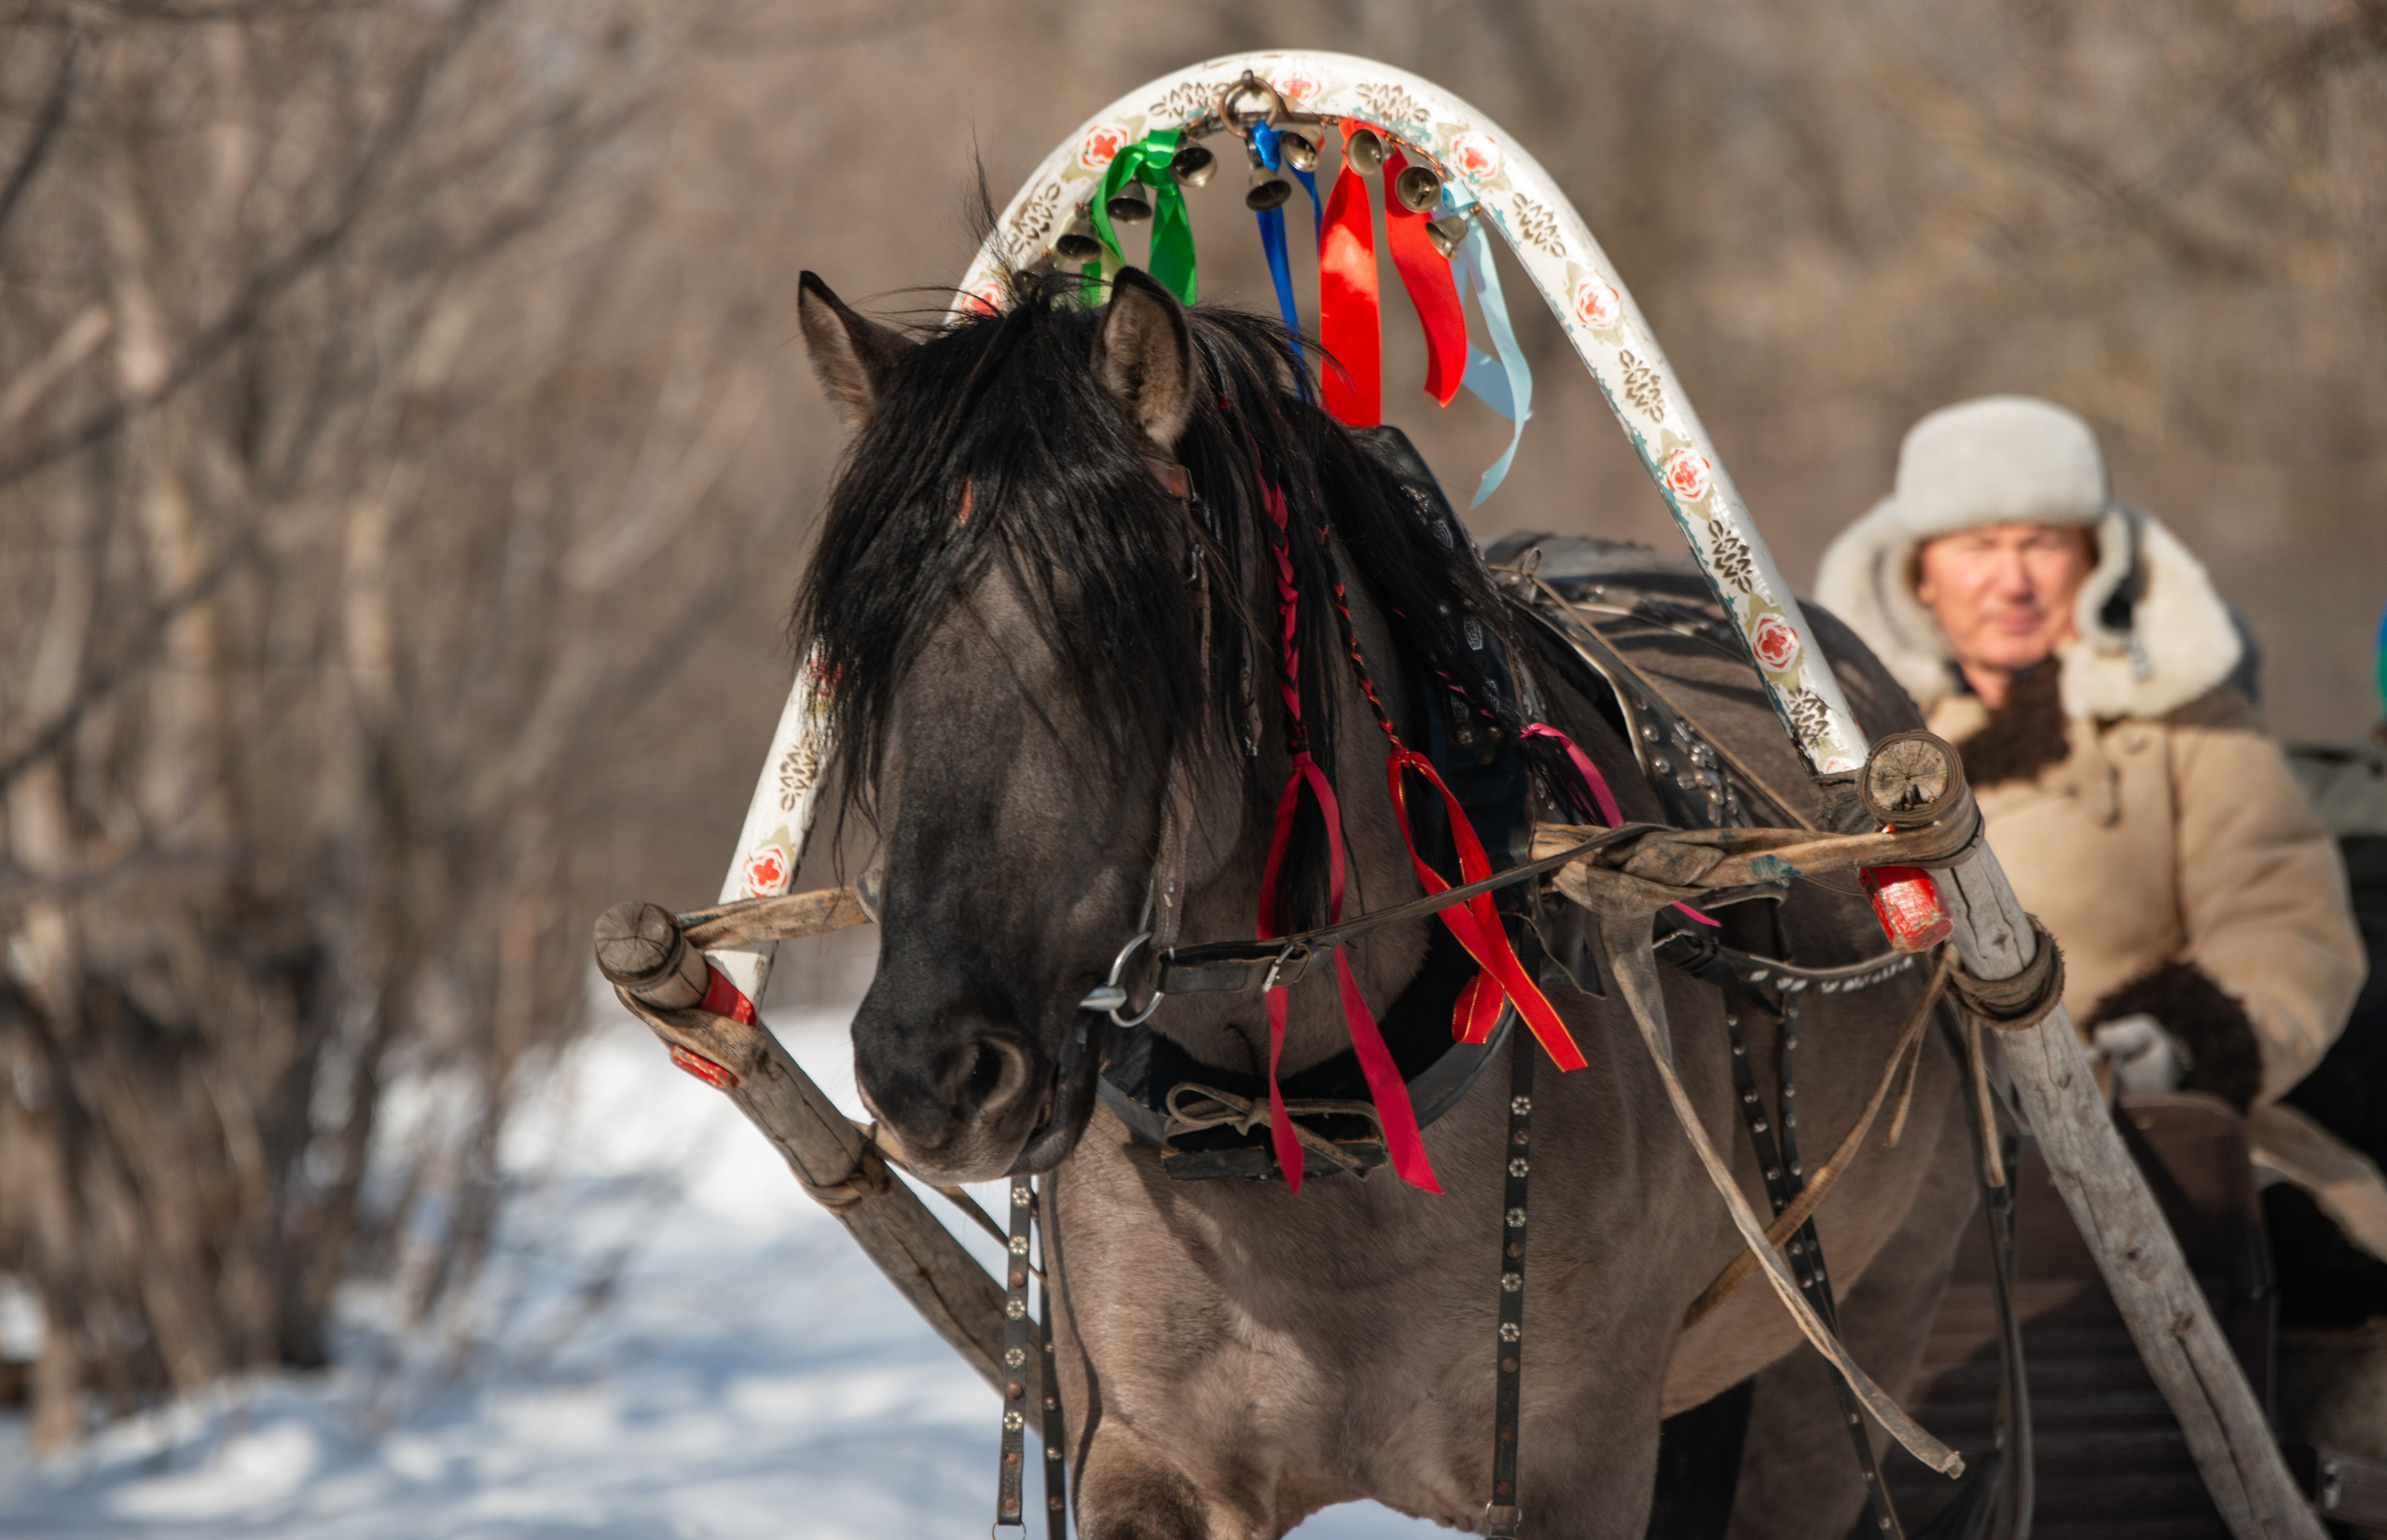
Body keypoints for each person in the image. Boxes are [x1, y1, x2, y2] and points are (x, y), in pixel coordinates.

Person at [1815, 397, 2382, 1284]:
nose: (2013, 581)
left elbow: (2285, 924)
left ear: (2095, 559)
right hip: (1894, 1156)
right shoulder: (1843, 753)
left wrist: (2181, 1048)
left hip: (2159, 1130)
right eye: (1978, 546)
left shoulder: (2190, 724)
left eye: (2042, 543)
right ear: (1918, 573)